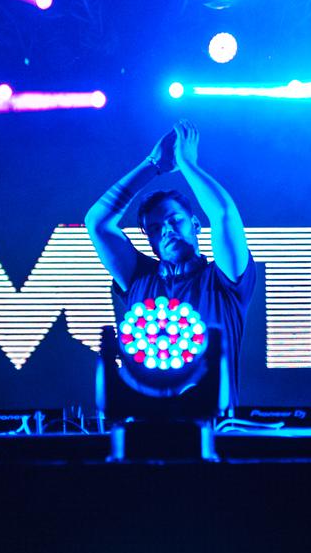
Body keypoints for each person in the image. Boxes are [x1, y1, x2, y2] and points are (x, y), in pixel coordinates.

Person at [84, 120, 257, 408]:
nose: (166, 231)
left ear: (195, 224)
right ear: (150, 240)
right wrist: (153, 165)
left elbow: (224, 215)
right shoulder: (140, 278)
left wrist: (188, 165)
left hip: (214, 426)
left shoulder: (223, 280)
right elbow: (97, 223)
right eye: (155, 228)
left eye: (175, 221)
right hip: (142, 428)